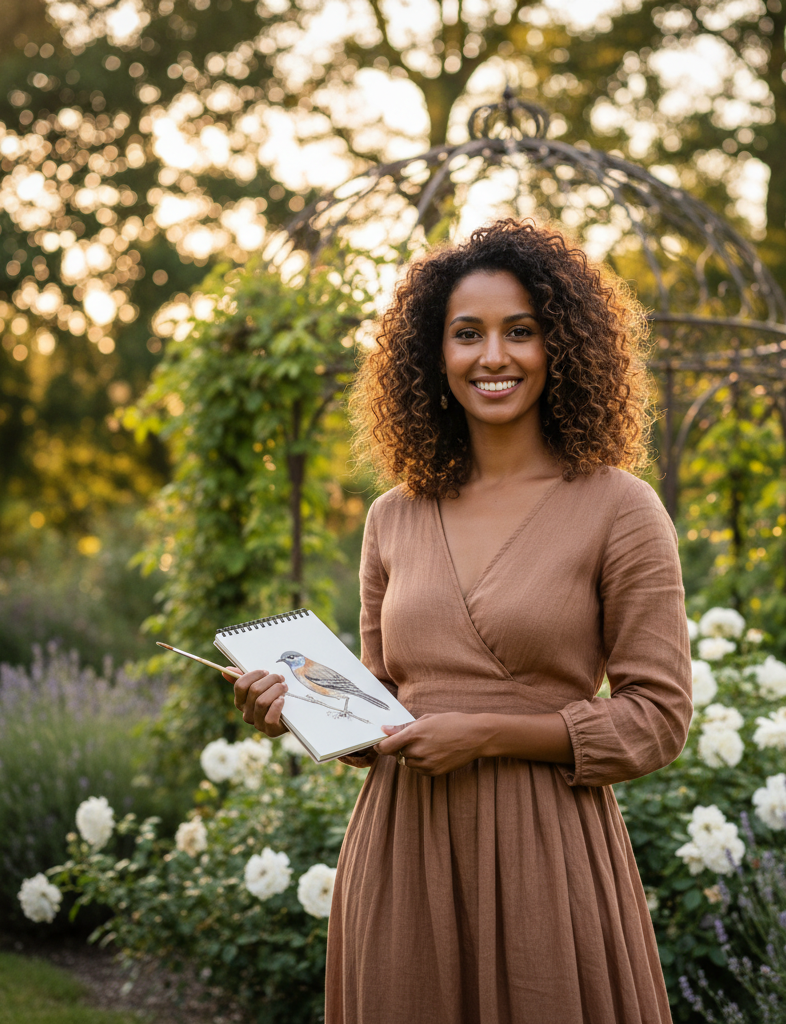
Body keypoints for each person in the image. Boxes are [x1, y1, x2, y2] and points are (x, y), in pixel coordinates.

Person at [231, 219, 693, 1024]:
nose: (493, 357)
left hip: (546, 848)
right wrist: (298, 708)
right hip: (402, 847)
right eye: (467, 334)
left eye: (522, 331)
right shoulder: (393, 516)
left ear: (563, 346)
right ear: (431, 355)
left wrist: (485, 733)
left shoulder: (621, 508)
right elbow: (380, 705)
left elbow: (657, 720)